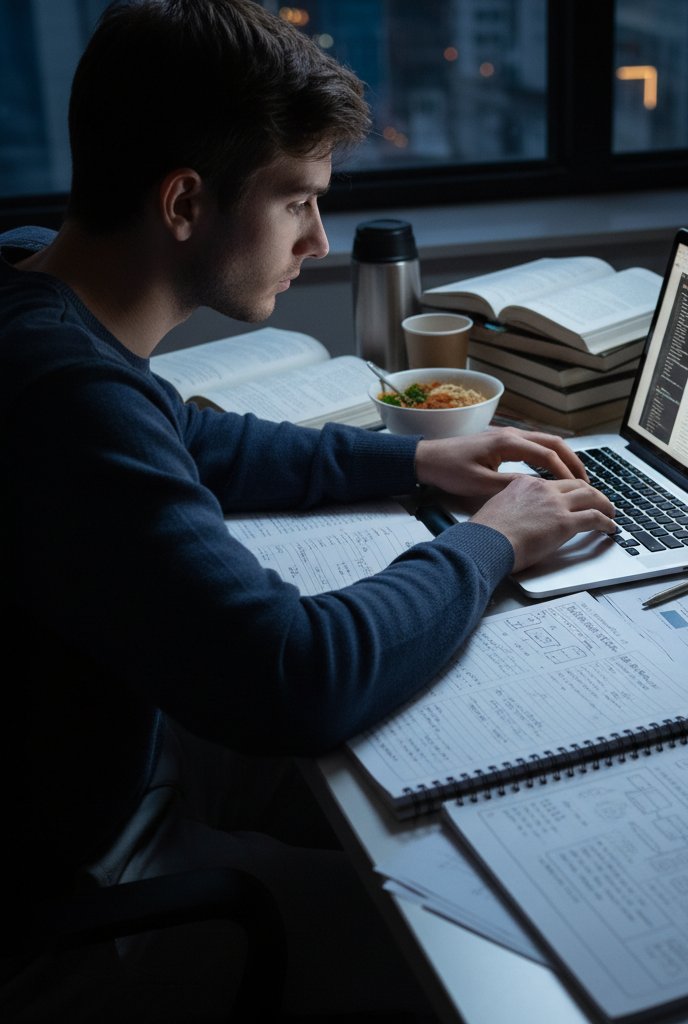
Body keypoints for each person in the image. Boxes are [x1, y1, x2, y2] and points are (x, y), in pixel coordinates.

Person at [0, 0, 615, 1018]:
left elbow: (193, 441)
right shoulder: (61, 396)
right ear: (186, 203)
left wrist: (421, 467)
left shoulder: (34, 281)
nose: (319, 242)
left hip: (112, 755)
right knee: (460, 968)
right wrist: (487, 545)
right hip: (81, 887)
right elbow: (298, 676)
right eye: (295, 202)